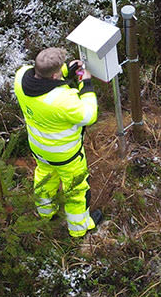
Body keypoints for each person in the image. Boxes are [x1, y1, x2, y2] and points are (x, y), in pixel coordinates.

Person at [13, 47, 104, 237]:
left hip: (39, 149)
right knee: (76, 189)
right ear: (54, 76)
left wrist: (65, 71)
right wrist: (85, 84)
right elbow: (89, 114)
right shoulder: (62, 99)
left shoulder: (21, 79)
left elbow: (42, 76)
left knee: (44, 179)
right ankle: (79, 229)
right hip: (67, 156)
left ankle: (45, 213)